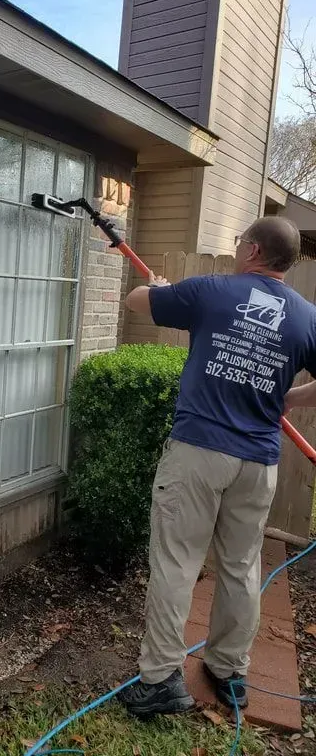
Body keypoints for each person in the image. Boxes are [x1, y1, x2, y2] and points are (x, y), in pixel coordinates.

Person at [117, 216, 316, 719]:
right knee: (242, 567)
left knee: (177, 562)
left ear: (251, 249)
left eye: (237, 243)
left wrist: (161, 289)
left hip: (199, 453)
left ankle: (161, 680)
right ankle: (229, 671)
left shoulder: (211, 291)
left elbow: (135, 301)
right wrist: (288, 396)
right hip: (258, 463)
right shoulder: (308, 318)